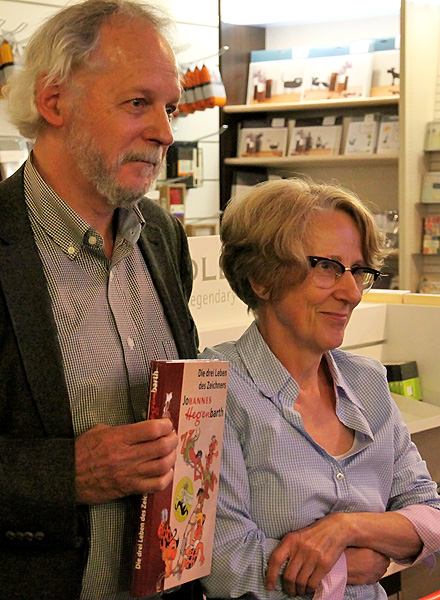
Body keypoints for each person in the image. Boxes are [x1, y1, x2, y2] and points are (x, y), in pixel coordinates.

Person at [0, 1, 201, 599]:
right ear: (54, 101)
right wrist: (67, 474)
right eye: (138, 102)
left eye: (170, 107)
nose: (165, 132)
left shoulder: (162, 237)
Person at [200, 178, 440, 600]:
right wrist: (350, 566)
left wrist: (346, 528)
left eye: (358, 271)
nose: (351, 292)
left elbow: (430, 515)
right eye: (327, 267)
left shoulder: (367, 382)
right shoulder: (215, 390)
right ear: (261, 278)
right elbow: (225, 565)